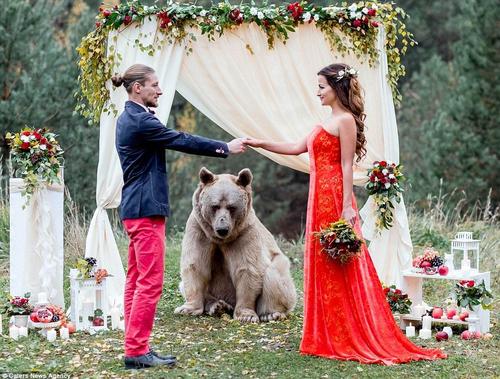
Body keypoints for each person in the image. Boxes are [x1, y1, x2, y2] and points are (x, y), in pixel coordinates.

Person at [244, 63, 447, 364]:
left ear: (336, 89)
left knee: (339, 259)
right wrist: (259, 142)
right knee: (321, 259)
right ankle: (323, 330)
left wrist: (347, 206)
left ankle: (344, 329)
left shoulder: (346, 121)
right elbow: (296, 147)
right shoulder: (327, 120)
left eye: (321, 87)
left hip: (334, 194)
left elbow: (347, 165)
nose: (317, 92)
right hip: (317, 196)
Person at [111, 64, 247, 370]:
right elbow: (181, 139)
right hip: (145, 211)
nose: (159, 90)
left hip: (136, 209)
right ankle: (136, 351)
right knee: (150, 283)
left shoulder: (132, 117)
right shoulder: (140, 122)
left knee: (136, 280)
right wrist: (224, 147)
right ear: (137, 88)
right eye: (154, 85)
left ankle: (136, 346)